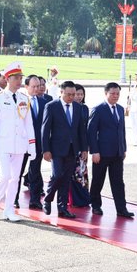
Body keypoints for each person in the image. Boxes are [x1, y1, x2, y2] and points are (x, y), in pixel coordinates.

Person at [0, 63, 34, 221]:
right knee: (4, 176)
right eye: (16, 78)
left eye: (21, 78)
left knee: (15, 178)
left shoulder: (24, 98)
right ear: (7, 79)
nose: (19, 81)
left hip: (19, 144)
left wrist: (31, 145)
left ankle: (9, 209)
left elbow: (28, 124)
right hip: (2, 144)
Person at [41, 80, 88, 218]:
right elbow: (45, 130)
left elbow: (81, 130)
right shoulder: (51, 106)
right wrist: (45, 150)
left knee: (67, 178)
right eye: (69, 94)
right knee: (57, 175)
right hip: (56, 148)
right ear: (61, 92)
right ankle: (48, 199)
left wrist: (84, 149)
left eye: (74, 94)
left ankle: (62, 208)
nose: (72, 97)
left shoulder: (78, 108)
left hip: (73, 149)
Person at [88, 82, 134, 217]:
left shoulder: (120, 109)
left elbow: (122, 131)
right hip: (101, 153)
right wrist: (94, 151)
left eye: (118, 94)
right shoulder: (98, 109)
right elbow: (91, 132)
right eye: (112, 93)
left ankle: (121, 209)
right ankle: (96, 205)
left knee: (118, 182)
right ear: (106, 93)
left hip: (117, 153)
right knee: (98, 180)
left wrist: (123, 148)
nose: (115, 96)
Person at [22, 75, 48, 210]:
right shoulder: (20, 101)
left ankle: (35, 200)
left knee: (35, 172)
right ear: (26, 87)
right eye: (34, 86)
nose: (37, 89)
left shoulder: (44, 103)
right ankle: (13, 198)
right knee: (17, 172)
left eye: (39, 86)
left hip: (37, 145)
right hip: (21, 144)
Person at [71, 84, 91, 208]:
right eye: (77, 94)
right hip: (72, 145)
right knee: (72, 172)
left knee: (82, 172)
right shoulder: (69, 108)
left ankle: (83, 197)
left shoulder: (85, 108)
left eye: (81, 94)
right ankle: (73, 198)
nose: (79, 97)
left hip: (83, 145)